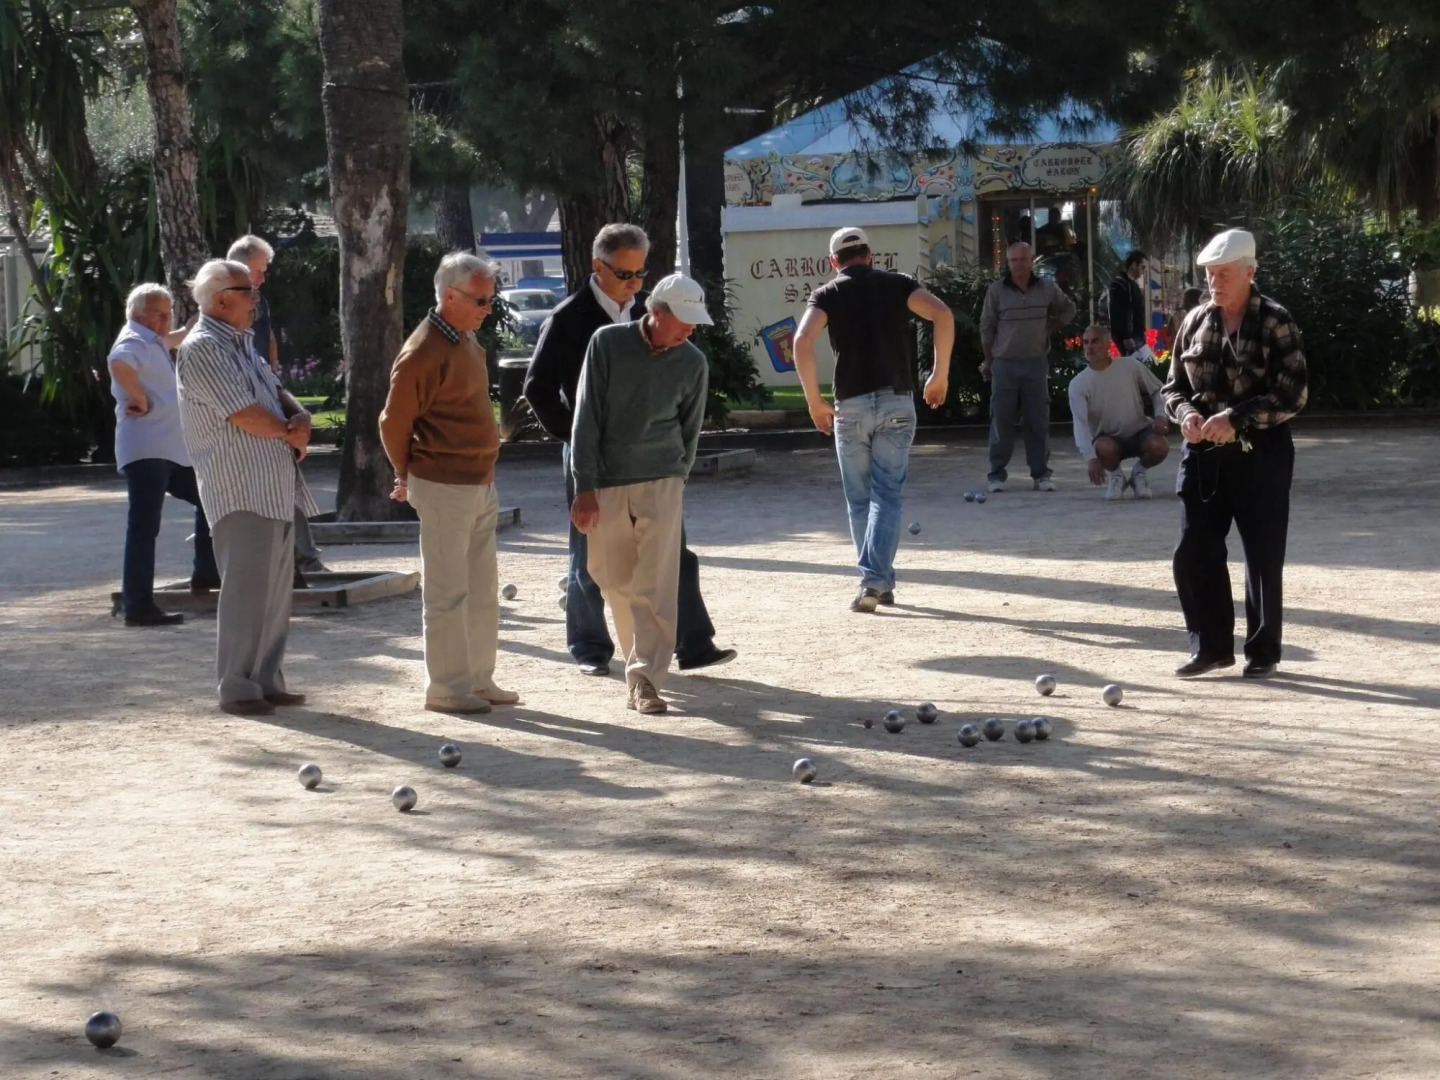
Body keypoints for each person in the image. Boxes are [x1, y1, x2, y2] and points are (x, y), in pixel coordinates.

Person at [523, 223, 734, 676]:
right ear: (598, 267)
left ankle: (693, 642)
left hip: (651, 460)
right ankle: (589, 647)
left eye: (641, 275)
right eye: (625, 275)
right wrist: (576, 438)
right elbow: (537, 387)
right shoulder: (569, 318)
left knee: (672, 549)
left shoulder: (656, 312)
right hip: (589, 454)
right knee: (590, 554)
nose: (634, 285)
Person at [1163, 229, 1308, 680]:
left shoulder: (1275, 321)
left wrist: (1237, 417)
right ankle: (1210, 647)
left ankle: (1262, 651)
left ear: (1250, 272)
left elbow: (1293, 394)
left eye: (1224, 273)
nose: (1215, 282)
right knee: (1193, 550)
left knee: (1262, 554)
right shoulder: (1194, 321)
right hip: (1203, 451)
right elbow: (1172, 388)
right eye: (1210, 274)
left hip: (1260, 449)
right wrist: (1184, 414)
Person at [379, 252, 518, 715]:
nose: (487, 308)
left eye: (490, 300)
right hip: (443, 483)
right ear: (449, 295)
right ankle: (445, 687)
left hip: (478, 481)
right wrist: (404, 473)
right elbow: (392, 421)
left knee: (481, 589)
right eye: (480, 300)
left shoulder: (465, 339)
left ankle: (478, 679)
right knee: (447, 592)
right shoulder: (422, 351)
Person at [176, 259, 317, 716]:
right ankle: (237, 685)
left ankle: (266, 680)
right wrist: (287, 431)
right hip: (239, 487)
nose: (257, 299)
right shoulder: (203, 348)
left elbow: (275, 394)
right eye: (247, 292)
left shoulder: (241, 344)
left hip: (272, 484)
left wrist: (299, 418)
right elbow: (244, 413)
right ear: (220, 300)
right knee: (245, 591)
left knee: (275, 594)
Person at [568, 274, 710, 714]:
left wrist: (676, 477)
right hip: (607, 481)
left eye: (694, 322)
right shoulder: (607, 343)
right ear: (657, 311)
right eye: (682, 321)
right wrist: (584, 485)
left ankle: (645, 678)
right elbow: (586, 416)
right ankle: (639, 665)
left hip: (662, 479)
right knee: (612, 579)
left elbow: (692, 428)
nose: (689, 330)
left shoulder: (693, 362)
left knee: (656, 583)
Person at [793, 226, 954, 613]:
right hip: (897, 398)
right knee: (888, 494)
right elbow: (942, 315)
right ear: (870, 254)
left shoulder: (827, 294)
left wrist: (814, 401)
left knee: (859, 498)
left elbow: (801, 341)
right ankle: (879, 582)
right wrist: (939, 374)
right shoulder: (897, 284)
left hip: (850, 403)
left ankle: (874, 581)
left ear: (834, 262)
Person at [108, 283, 219, 626]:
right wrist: (137, 396)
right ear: (137, 314)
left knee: (210, 496)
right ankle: (138, 606)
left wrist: (201, 316)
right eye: (159, 313)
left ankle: (206, 572)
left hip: (169, 451)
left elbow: (177, 337)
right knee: (144, 526)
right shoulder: (133, 340)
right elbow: (118, 363)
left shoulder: (152, 339)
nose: (164, 319)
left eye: (167, 312)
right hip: (147, 449)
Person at [227, 234, 328, 579]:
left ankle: (302, 560)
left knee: (286, 472)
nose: (262, 277)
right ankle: (299, 562)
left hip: (265, 388)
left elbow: (265, 339)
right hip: (243, 403)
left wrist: (272, 372)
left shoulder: (259, 303)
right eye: (258, 270)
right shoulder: (223, 307)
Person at [979, 241, 1077, 493]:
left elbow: (1069, 309)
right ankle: (996, 474)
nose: (1018, 265)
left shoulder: (1046, 288)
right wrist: (988, 361)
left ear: (1031, 261)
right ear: (1007, 263)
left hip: (1035, 363)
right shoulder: (996, 291)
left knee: (1038, 421)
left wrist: (1051, 327)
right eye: (1013, 260)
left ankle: (1041, 474)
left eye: (1023, 260)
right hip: (1004, 364)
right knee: (1001, 421)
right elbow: (987, 327)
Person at [1068, 323, 1169, 501]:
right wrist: (1090, 458)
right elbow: (1080, 423)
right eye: (1085, 342)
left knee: (1160, 445)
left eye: (1095, 341)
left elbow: (1158, 390)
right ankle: (1117, 477)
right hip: (1107, 438)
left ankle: (1139, 473)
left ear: (1108, 344)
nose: (1089, 347)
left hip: (1139, 431)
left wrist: (1161, 415)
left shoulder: (1130, 366)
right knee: (1103, 447)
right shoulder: (1078, 384)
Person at [1108, 250, 1149, 356]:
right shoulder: (1120, 285)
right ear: (1134, 265)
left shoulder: (1133, 286)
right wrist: (1126, 336)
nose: (1143, 271)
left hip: (1136, 334)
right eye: (1142, 267)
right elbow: (1118, 312)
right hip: (1128, 337)